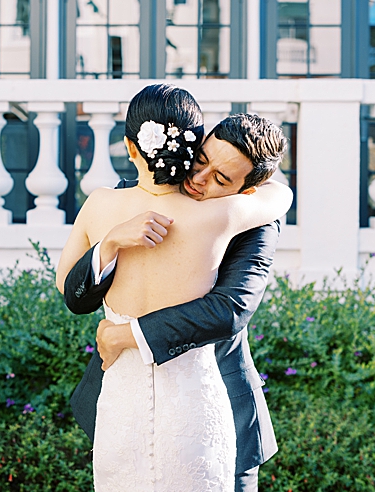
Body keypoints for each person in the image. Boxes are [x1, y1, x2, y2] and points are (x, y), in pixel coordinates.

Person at [56, 85, 291, 491]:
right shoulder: (130, 194)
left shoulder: (251, 220)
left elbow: (229, 311)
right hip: (123, 401)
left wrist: (125, 334)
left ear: (247, 189)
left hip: (217, 399)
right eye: (198, 160)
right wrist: (110, 242)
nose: (198, 180)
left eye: (219, 178)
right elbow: (75, 292)